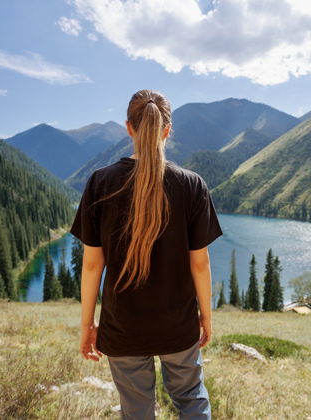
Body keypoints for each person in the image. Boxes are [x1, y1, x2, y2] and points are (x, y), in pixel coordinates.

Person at [69, 89, 223, 419]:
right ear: (168, 130)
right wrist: (206, 318)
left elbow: (93, 264)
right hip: (178, 325)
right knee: (192, 399)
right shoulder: (192, 185)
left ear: (129, 128)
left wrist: (87, 325)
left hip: (122, 327)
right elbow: (200, 263)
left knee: (136, 410)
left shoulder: (100, 182)